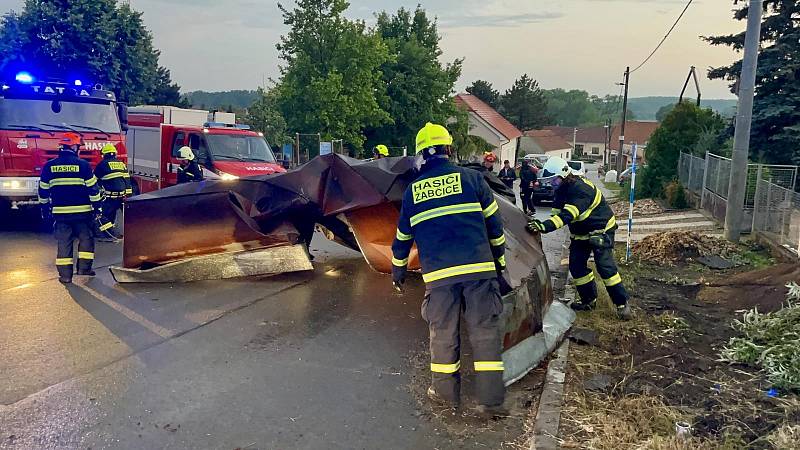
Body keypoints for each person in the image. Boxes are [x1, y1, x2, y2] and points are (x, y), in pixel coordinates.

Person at [391, 122, 507, 415]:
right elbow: (495, 227)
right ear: (449, 150)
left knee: (442, 333)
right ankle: (490, 401)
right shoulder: (473, 180)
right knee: (484, 333)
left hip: (439, 277)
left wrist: (398, 273)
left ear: (419, 156)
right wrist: (500, 263)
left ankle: (445, 396)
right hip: (480, 270)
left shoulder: (412, 192)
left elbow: (402, 239)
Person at [526, 156, 632, 320]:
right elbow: (556, 214)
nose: (551, 185)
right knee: (576, 266)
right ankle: (588, 300)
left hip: (601, 229)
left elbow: (567, 215)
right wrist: (538, 223)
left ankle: (622, 304)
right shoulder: (561, 190)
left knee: (605, 266)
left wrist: (545, 227)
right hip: (581, 232)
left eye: (553, 181)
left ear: (564, 175)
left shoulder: (580, 190)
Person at [38, 133, 103, 284]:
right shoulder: (83, 165)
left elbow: (43, 191)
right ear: (74, 147)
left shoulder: (49, 166)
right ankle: (84, 269)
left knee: (64, 243)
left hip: (60, 214)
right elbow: (93, 190)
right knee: (86, 239)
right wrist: (97, 207)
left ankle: (66, 276)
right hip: (82, 214)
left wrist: (45, 209)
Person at [94, 143, 132, 239]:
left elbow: (93, 181)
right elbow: (127, 179)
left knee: (102, 215)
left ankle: (110, 234)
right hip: (122, 197)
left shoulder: (102, 165)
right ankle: (114, 232)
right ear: (115, 154)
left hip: (110, 197)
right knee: (120, 215)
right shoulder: (121, 164)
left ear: (104, 155)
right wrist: (128, 195)